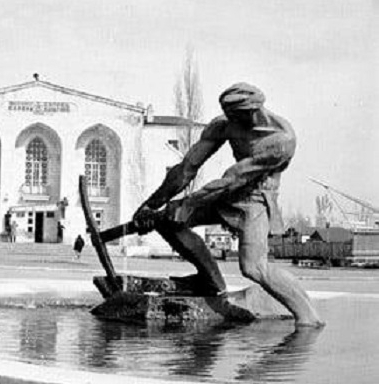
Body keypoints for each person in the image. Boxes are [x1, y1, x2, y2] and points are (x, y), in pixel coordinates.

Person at [132, 82, 324, 327]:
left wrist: (187, 204)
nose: (230, 120)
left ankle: (308, 317)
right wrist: (153, 204)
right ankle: (210, 281)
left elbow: (233, 177)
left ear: (253, 111)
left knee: (254, 267)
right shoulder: (223, 124)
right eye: (228, 114)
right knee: (167, 220)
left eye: (236, 116)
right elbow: (187, 167)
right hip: (224, 195)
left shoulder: (280, 140)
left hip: (254, 201)